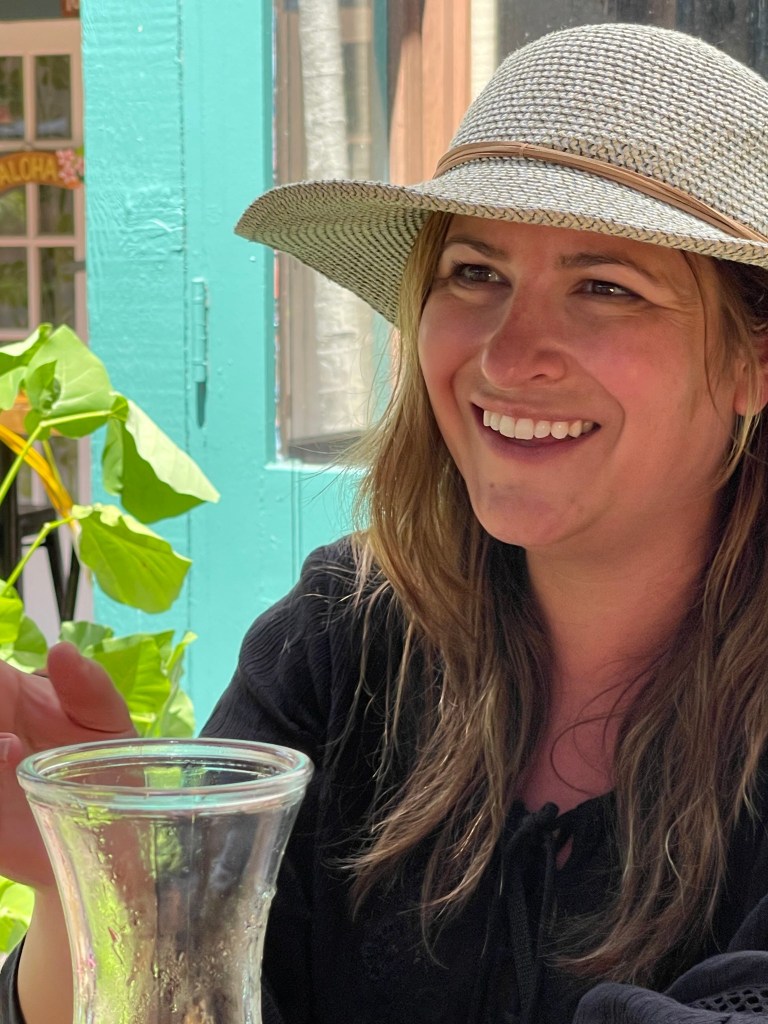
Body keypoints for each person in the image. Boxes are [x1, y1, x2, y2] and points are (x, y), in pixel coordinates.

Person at [3, 19, 768, 1024]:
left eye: (605, 287)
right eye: (475, 274)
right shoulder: (340, 643)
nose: (507, 353)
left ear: (753, 360)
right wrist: (106, 891)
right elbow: (169, 994)